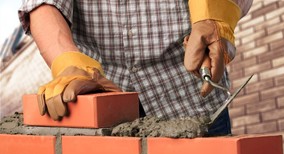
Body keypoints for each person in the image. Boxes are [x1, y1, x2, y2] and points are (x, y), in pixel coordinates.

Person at [18, 0, 252, 136]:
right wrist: (68, 63)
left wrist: (215, 16)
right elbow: (41, 3)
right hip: (98, 94)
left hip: (189, 96)